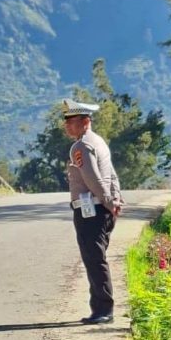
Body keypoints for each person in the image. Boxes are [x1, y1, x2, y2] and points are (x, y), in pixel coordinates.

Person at [63, 97, 123, 325]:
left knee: (94, 259)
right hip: (103, 210)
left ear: (85, 121)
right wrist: (116, 199)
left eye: (72, 121)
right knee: (97, 258)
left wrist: (108, 200)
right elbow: (112, 175)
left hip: (92, 211)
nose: (67, 125)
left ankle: (103, 309)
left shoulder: (81, 146)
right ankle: (101, 307)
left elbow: (93, 178)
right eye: (66, 121)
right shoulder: (99, 142)